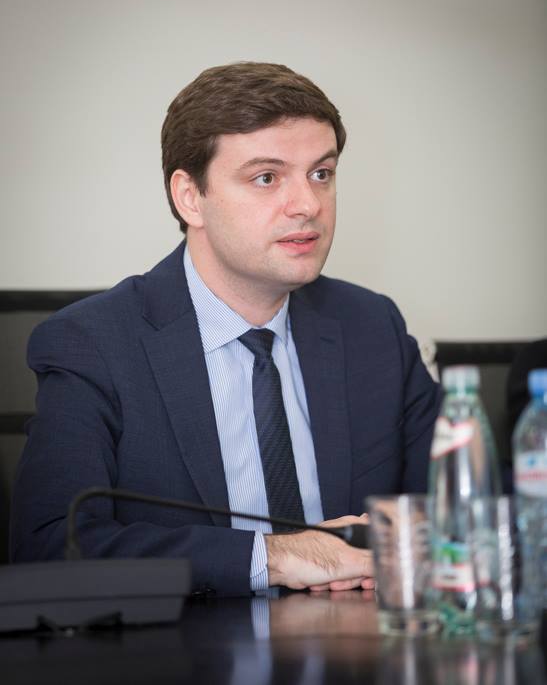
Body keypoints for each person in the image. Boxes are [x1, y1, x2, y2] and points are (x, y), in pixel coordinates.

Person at [11, 62, 441, 595]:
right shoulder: (93, 343)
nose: (308, 205)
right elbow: (50, 544)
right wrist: (278, 557)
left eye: (321, 174)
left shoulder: (372, 327)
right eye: (267, 178)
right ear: (190, 197)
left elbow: (461, 508)